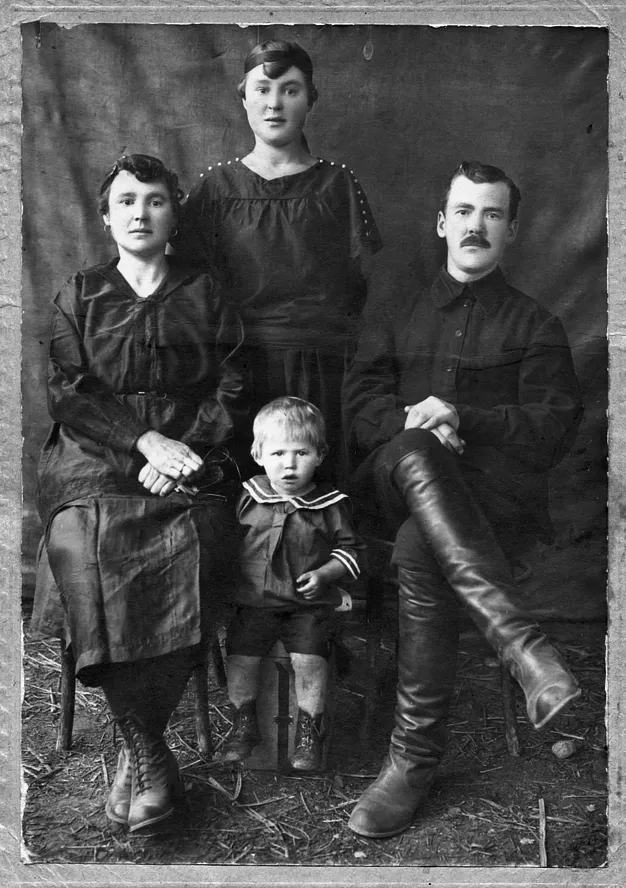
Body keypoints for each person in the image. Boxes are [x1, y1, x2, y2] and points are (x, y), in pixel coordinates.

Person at [342, 161, 584, 838]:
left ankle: (411, 763)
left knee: (422, 545)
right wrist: (422, 426)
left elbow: (551, 428)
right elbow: (359, 404)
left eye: (493, 214)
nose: (477, 226)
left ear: (511, 232)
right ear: (442, 223)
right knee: (416, 453)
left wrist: (465, 417)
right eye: (465, 212)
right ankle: (524, 649)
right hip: (393, 487)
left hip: (492, 506)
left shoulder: (536, 324)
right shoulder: (398, 312)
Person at [34, 153, 246, 833]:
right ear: (105, 216)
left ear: (174, 214)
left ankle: (138, 752)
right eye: (126, 201)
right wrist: (142, 443)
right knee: (80, 542)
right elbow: (70, 392)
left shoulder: (206, 291)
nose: (140, 213)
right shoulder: (80, 293)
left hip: (190, 454)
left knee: (202, 540)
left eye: (155, 200)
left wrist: (185, 450)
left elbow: (233, 384)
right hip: (93, 456)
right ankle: (151, 749)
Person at [171, 39, 382, 481]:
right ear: (243, 98)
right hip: (236, 371)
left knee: (319, 490)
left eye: (290, 90)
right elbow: (187, 290)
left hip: (322, 370)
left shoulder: (338, 186)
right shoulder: (215, 188)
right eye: (262, 90)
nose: (274, 104)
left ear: (311, 99)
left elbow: (362, 288)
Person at [221, 397, 366, 771]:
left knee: (309, 661)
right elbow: (228, 545)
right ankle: (244, 723)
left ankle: (308, 733)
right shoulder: (248, 497)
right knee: (240, 657)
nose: (289, 464)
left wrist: (325, 574)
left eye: (301, 452)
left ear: (320, 455)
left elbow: (351, 551)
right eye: (278, 453)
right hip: (254, 603)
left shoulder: (330, 504)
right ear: (258, 454)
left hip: (307, 606)